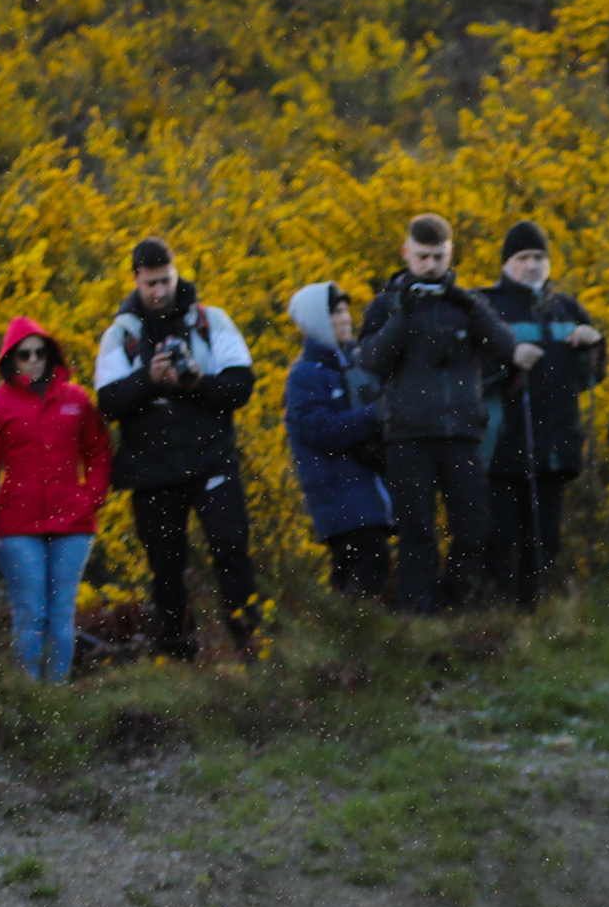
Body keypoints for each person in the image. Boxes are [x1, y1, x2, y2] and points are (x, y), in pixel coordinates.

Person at [93, 238, 261, 660]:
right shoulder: (121, 334)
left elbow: (241, 386)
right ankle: (177, 657)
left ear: (175, 272)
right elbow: (109, 403)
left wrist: (195, 383)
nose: (158, 291)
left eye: (165, 281)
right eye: (150, 283)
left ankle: (253, 644)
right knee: (166, 572)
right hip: (153, 473)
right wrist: (150, 379)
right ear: (135, 278)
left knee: (232, 553)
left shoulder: (211, 320)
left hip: (212, 463)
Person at [361, 215, 523, 613]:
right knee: (417, 533)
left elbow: (507, 348)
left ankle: (457, 608)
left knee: (474, 529)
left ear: (450, 254)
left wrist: (467, 303)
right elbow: (372, 360)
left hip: (462, 434)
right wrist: (403, 314)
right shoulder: (385, 304)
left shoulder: (467, 304)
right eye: (422, 257)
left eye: (437, 257)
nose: (430, 265)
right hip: (408, 435)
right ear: (406, 253)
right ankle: (420, 617)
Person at [0, 315, 115, 681]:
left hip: (73, 524)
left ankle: (57, 697)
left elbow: (98, 451)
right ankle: (30, 696)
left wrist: (91, 497)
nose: (33, 360)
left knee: (61, 614)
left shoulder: (76, 400)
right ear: (10, 360)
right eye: (24, 354)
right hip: (16, 528)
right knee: (31, 614)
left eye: (39, 353)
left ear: (51, 355)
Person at [481, 224, 605, 606]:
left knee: (545, 540)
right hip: (504, 447)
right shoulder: (487, 306)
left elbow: (592, 377)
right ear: (506, 264)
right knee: (500, 540)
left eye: (539, 258)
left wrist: (593, 347)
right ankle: (497, 622)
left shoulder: (567, 307)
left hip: (555, 447)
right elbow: (475, 370)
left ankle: (536, 620)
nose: (532, 266)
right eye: (523, 259)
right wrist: (510, 360)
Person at [278, 284, 394, 607]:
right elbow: (322, 430)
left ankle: (348, 645)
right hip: (339, 496)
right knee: (365, 570)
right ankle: (354, 643)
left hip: (366, 492)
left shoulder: (356, 364)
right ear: (315, 321)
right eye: (334, 313)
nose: (344, 319)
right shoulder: (304, 375)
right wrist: (376, 415)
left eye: (344, 310)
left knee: (356, 575)